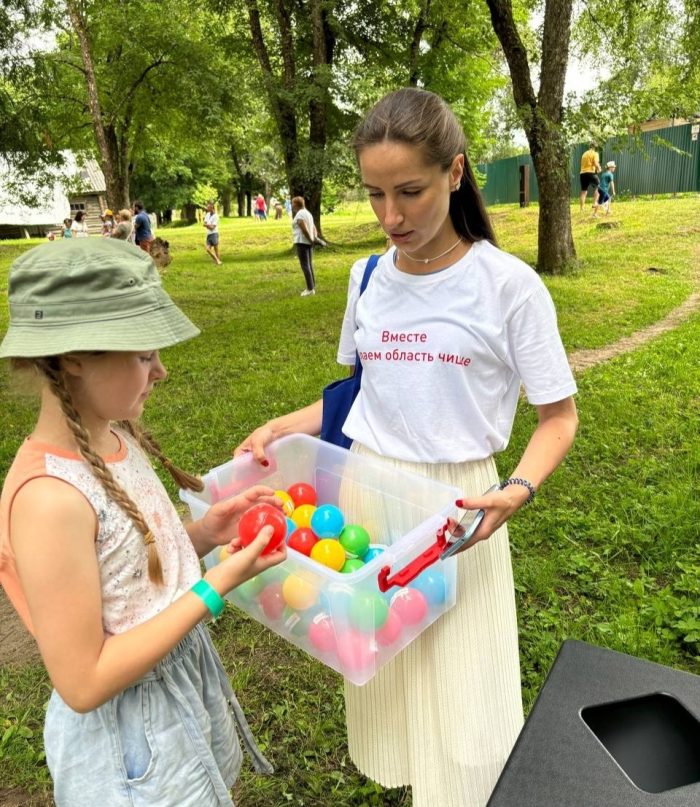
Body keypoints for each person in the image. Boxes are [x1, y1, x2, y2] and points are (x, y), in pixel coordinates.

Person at [234, 88, 579, 807]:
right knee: (388, 667)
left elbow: (558, 417)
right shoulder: (366, 278)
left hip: (457, 509)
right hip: (368, 492)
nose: (391, 217)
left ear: (455, 173)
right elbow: (368, 389)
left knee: (463, 694)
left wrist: (517, 491)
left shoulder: (507, 287)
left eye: (411, 192)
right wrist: (283, 425)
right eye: (375, 195)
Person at [0, 238, 286, 806]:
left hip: (178, 688)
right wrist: (216, 585)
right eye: (142, 355)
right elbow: (84, 682)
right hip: (130, 737)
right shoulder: (50, 501)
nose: (161, 371)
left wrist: (205, 534)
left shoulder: (114, 435)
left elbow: (125, 568)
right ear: (73, 357)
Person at [291, 196, 317, 297]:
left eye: (293, 203)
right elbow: (313, 227)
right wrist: (313, 238)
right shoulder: (308, 213)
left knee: (305, 265)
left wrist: (310, 239)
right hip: (308, 242)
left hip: (302, 241)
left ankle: (310, 289)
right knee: (309, 264)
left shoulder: (300, 214)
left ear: (296, 204)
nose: (291, 205)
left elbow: (304, 228)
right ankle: (312, 286)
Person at [579, 142, 601, 212]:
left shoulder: (584, 154)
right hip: (590, 172)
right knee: (598, 187)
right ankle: (594, 203)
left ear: (589, 146)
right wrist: (599, 168)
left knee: (584, 191)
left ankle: (582, 208)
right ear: (595, 147)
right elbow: (595, 162)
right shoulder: (595, 154)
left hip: (582, 173)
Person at [204, 201, 222, 265]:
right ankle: (217, 260)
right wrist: (208, 225)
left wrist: (207, 225)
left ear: (212, 208)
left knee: (216, 249)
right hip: (208, 234)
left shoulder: (216, 216)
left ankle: (218, 262)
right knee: (207, 249)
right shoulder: (207, 214)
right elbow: (205, 224)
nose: (207, 208)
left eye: (208, 207)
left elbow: (212, 227)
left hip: (214, 234)